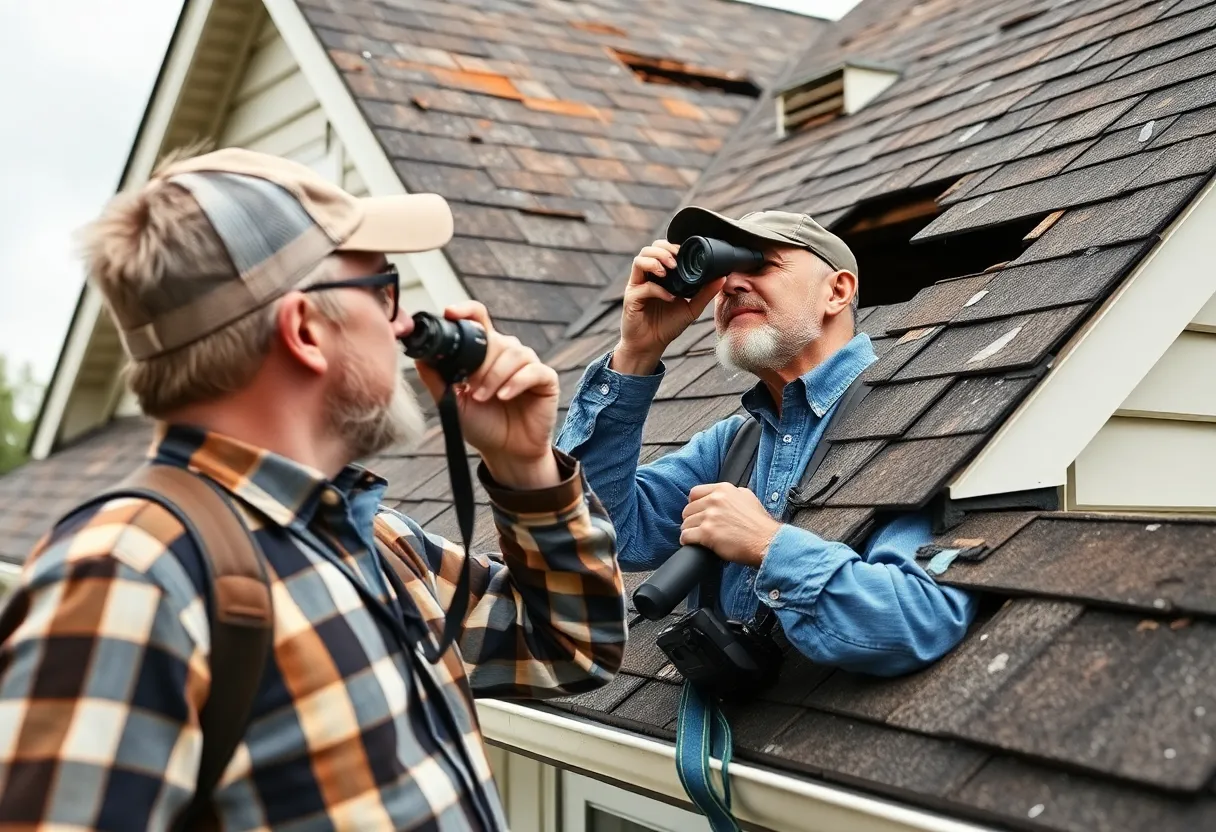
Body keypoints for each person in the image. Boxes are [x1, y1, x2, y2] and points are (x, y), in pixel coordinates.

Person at [0, 147, 626, 830]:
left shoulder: (379, 543)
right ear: (304, 328)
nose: (404, 324)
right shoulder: (128, 574)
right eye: (383, 287)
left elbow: (573, 647)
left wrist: (523, 462)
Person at [557, 206, 977, 677]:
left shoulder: (916, 415)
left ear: (837, 291)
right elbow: (591, 535)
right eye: (722, 271)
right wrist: (637, 351)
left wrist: (765, 544)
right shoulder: (734, 447)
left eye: (759, 265)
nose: (731, 285)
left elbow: (918, 619)